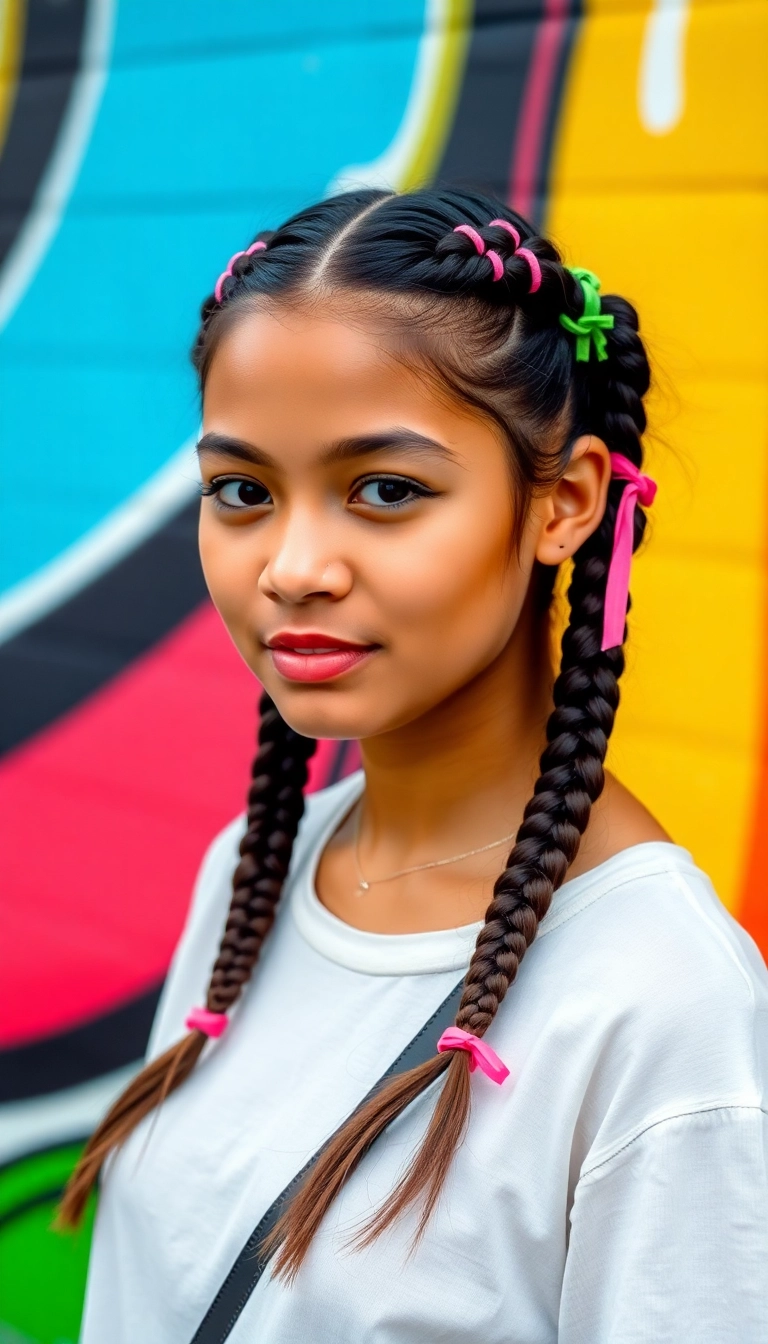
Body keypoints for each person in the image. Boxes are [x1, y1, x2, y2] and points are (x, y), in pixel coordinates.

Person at [65, 189, 768, 1342]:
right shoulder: (254, 871)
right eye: (243, 490)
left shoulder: (660, 1005)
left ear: (567, 502)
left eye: (385, 491)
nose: (292, 567)